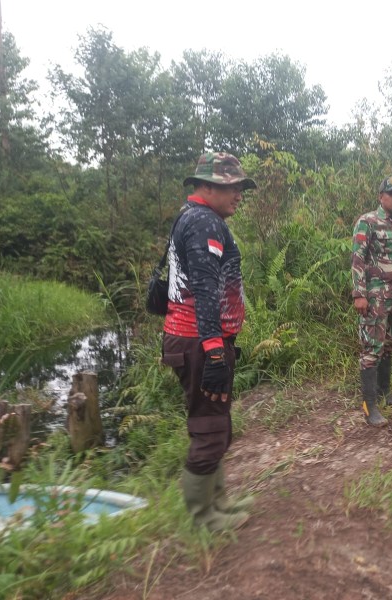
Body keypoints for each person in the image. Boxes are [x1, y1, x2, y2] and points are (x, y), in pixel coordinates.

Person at [161, 152, 257, 532]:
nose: (238, 195)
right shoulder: (203, 223)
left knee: (216, 422)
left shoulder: (196, 217)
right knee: (209, 428)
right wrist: (215, 352)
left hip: (197, 339)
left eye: (240, 188)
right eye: (231, 187)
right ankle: (203, 518)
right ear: (206, 186)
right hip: (199, 342)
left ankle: (217, 502)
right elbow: (204, 289)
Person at [351, 176, 392, 427]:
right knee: (371, 349)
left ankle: (385, 393)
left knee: (389, 345)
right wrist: (359, 293)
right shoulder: (367, 222)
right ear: (381, 196)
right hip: (375, 298)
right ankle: (370, 407)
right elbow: (357, 258)